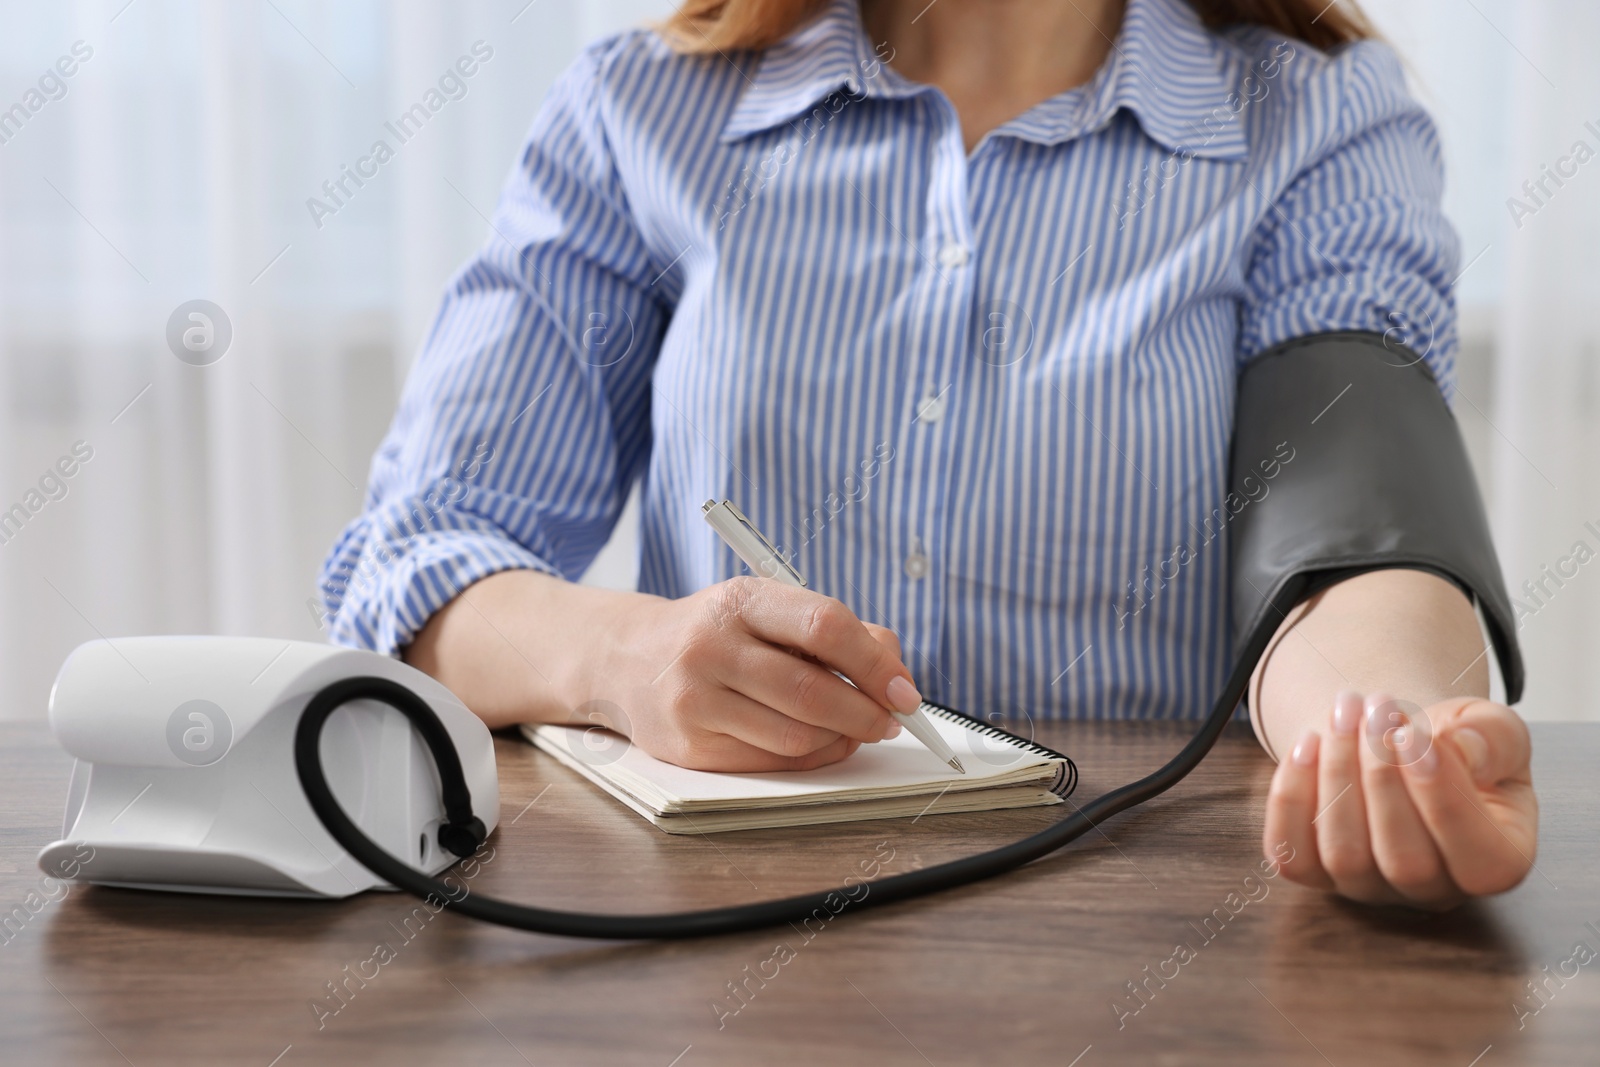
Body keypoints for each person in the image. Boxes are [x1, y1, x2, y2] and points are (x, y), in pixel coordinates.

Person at [319, 0, 1536, 910]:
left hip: (1128, 915)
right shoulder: (642, 107)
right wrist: (621, 655)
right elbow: (418, 562)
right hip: (708, 921)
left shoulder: (1319, 113)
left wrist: (1383, 741)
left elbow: (1346, 509)